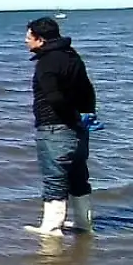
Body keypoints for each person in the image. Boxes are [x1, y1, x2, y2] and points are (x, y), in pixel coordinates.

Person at [23, 16, 101, 236]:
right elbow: (87, 89)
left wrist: (70, 117)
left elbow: (54, 98)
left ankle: (52, 227)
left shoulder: (46, 63)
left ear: (40, 39)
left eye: (28, 37)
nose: (25, 41)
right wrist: (87, 115)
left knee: (54, 177)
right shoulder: (72, 56)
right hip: (78, 128)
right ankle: (84, 225)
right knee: (78, 177)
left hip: (54, 128)